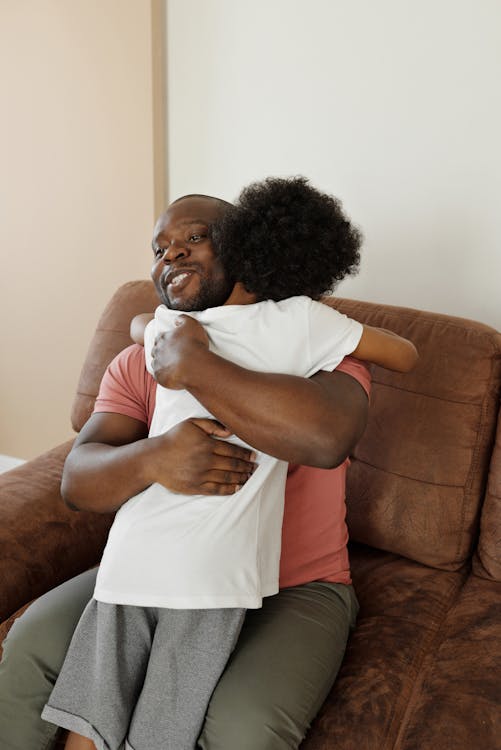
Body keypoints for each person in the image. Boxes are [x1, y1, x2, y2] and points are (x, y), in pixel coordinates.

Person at [0, 185, 395, 750]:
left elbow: (324, 439)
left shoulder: (311, 344)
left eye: (194, 238)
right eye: (159, 250)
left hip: (298, 586)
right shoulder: (139, 361)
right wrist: (155, 458)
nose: (171, 256)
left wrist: (196, 366)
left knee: (244, 729)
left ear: (247, 253)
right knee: (34, 642)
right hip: (165, 563)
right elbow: (78, 481)